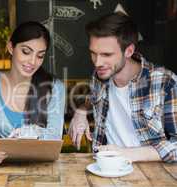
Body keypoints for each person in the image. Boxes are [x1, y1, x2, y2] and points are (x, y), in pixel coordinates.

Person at [69, 12, 177, 162]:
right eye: (93, 53)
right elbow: (93, 99)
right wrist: (80, 112)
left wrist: (127, 154)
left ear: (129, 51)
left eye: (107, 54)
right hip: (106, 170)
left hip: (152, 177)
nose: (97, 62)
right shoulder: (100, 76)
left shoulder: (165, 82)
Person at [0, 21, 65, 167]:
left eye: (40, 56)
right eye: (26, 51)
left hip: (42, 172)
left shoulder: (55, 88)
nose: (32, 61)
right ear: (11, 47)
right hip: (1, 171)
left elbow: (55, 137)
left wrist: (28, 133)